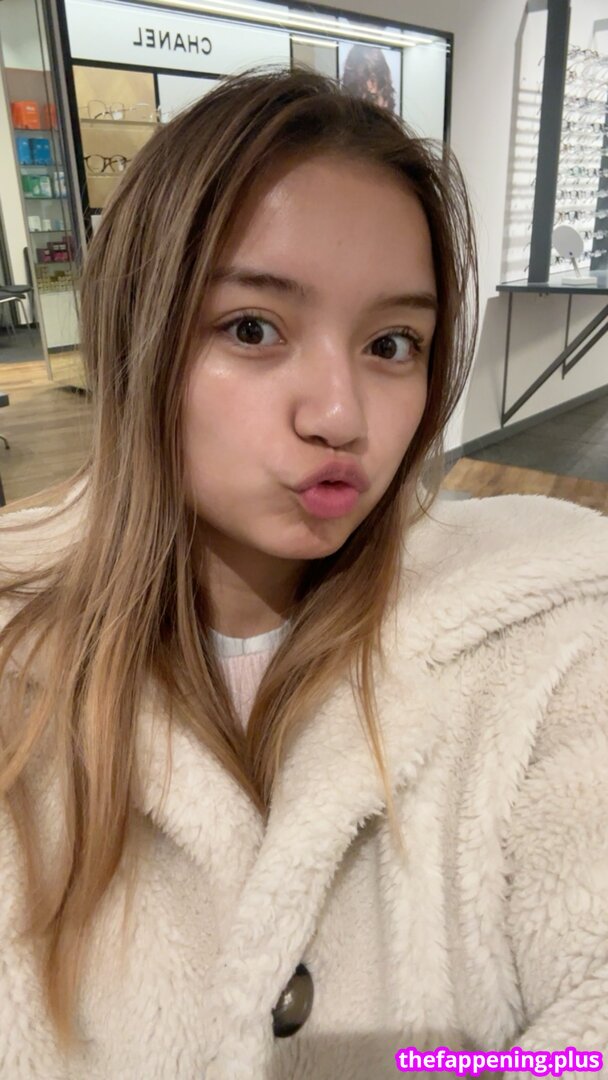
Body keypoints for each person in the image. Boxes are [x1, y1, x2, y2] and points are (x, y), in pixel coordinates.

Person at [0, 65, 606, 1080]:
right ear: (138, 335)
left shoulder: (546, 633)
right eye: (252, 328)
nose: (339, 415)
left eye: (391, 344)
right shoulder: (23, 670)